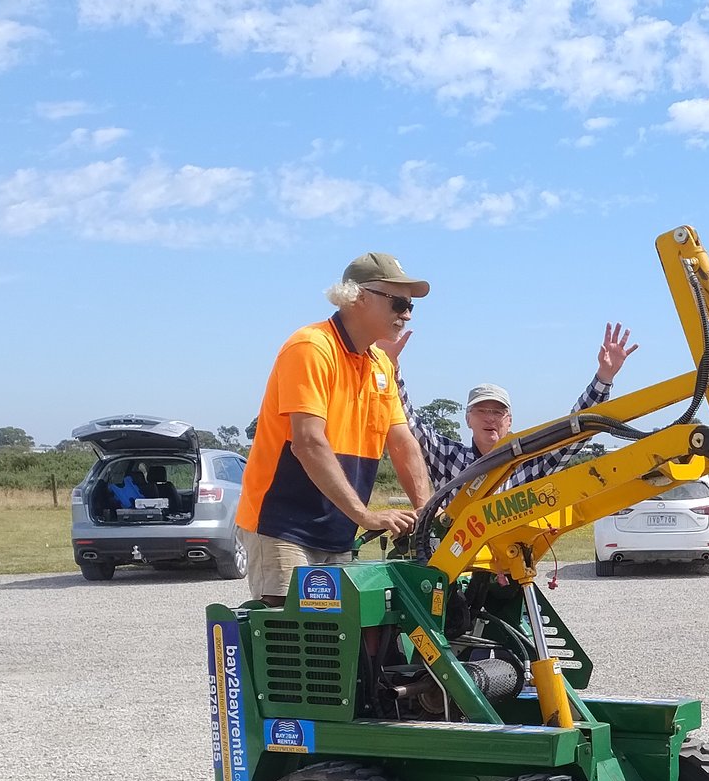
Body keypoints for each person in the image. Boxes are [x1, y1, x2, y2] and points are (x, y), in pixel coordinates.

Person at [235, 252, 434, 604]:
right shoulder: (312, 348)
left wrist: (428, 509)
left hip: (337, 528)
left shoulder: (380, 366)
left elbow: (402, 442)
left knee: (337, 646)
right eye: (399, 302)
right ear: (359, 297)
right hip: (283, 526)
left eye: (410, 307)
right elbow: (308, 443)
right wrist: (364, 515)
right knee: (292, 640)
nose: (405, 313)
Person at [409, 323, 640, 494]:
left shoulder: (529, 463)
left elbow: (575, 431)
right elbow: (409, 424)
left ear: (509, 420)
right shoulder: (449, 458)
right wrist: (391, 368)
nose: (490, 418)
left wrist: (604, 377)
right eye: (481, 411)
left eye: (497, 412)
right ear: (468, 419)